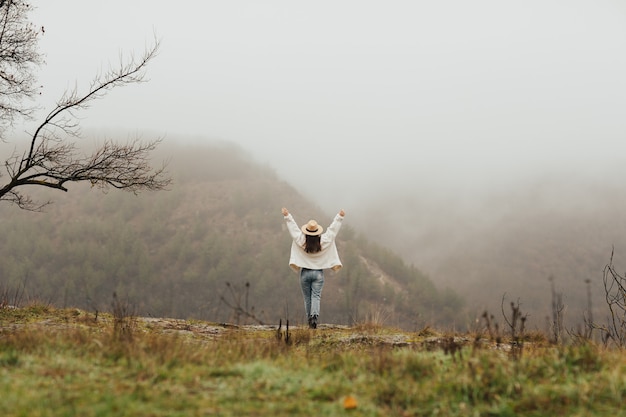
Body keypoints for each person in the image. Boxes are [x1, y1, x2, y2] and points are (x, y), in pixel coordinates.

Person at [281, 207, 345, 329]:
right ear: (317, 232)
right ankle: (314, 317)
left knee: (307, 298)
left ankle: (309, 320)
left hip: (305, 273)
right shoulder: (323, 241)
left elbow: (293, 230)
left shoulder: (301, 241)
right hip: (318, 274)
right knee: (316, 296)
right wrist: (339, 217)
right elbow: (332, 231)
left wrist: (287, 216)